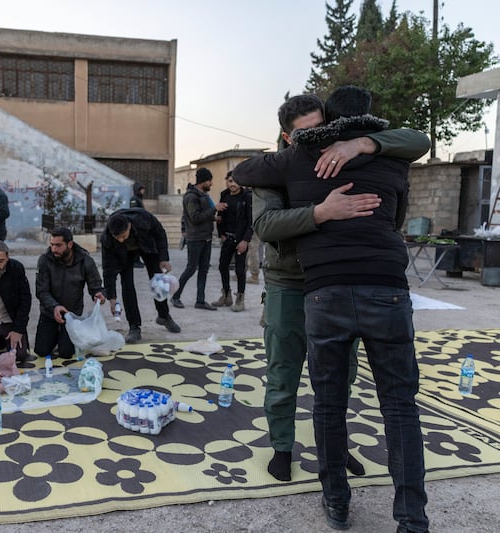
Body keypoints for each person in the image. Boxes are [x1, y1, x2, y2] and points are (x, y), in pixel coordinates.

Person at [235, 86, 430, 532]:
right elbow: (265, 224)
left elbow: (416, 141)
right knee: (286, 368)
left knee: (336, 390)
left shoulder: (331, 153)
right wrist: (323, 212)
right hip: (293, 279)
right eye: (307, 133)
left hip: (327, 285)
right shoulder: (280, 166)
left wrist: (359, 143)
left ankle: (337, 478)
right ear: (287, 137)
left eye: (324, 127)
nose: (319, 137)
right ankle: (284, 447)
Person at [101, 209, 181, 343]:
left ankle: (164, 316)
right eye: (117, 237)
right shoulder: (108, 238)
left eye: (123, 235)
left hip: (147, 245)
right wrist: (112, 298)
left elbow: (160, 234)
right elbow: (108, 269)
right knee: (127, 284)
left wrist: (163, 258)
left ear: (129, 226)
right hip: (124, 254)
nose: (121, 240)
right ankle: (134, 326)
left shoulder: (143, 219)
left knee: (158, 280)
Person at [34, 227, 105, 359]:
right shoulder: (44, 260)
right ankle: (54, 336)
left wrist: (99, 294)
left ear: (70, 244)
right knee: (42, 351)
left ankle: (65, 338)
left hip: (72, 314)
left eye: (58, 245)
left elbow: (96, 286)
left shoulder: (85, 260)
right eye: (52, 245)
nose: (54, 249)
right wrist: (54, 306)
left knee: (66, 353)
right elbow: (41, 291)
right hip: (49, 312)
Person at [171, 167, 226, 310]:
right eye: (209, 181)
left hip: (206, 237)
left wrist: (214, 218)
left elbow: (203, 215)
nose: (211, 184)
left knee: (203, 270)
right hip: (195, 239)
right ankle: (175, 296)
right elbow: (194, 218)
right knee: (191, 269)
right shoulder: (191, 197)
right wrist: (215, 209)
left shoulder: (203, 195)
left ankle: (200, 301)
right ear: (203, 181)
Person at [212, 172, 253, 311]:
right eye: (230, 181)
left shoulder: (247, 197)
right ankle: (226, 295)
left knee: (239, 270)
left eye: (235, 181)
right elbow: (220, 216)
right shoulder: (224, 195)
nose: (233, 184)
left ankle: (240, 299)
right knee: (222, 266)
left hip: (241, 240)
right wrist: (221, 234)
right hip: (227, 238)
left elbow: (251, 220)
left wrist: (245, 240)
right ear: (226, 182)